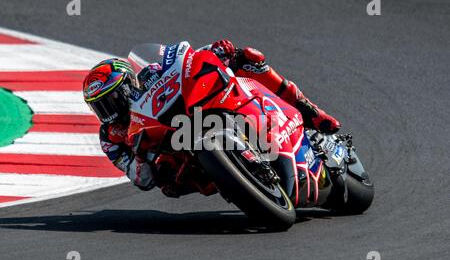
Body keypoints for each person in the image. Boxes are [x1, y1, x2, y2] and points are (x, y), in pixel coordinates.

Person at [82, 40, 340, 194]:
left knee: (247, 59)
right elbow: (139, 179)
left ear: (128, 85)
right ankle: (244, 181)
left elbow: (184, 62)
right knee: (170, 181)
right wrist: (140, 160)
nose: (109, 112)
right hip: (179, 162)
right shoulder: (111, 137)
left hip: (194, 112)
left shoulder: (149, 74)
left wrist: (214, 51)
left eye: (110, 101)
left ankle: (310, 111)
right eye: (100, 107)